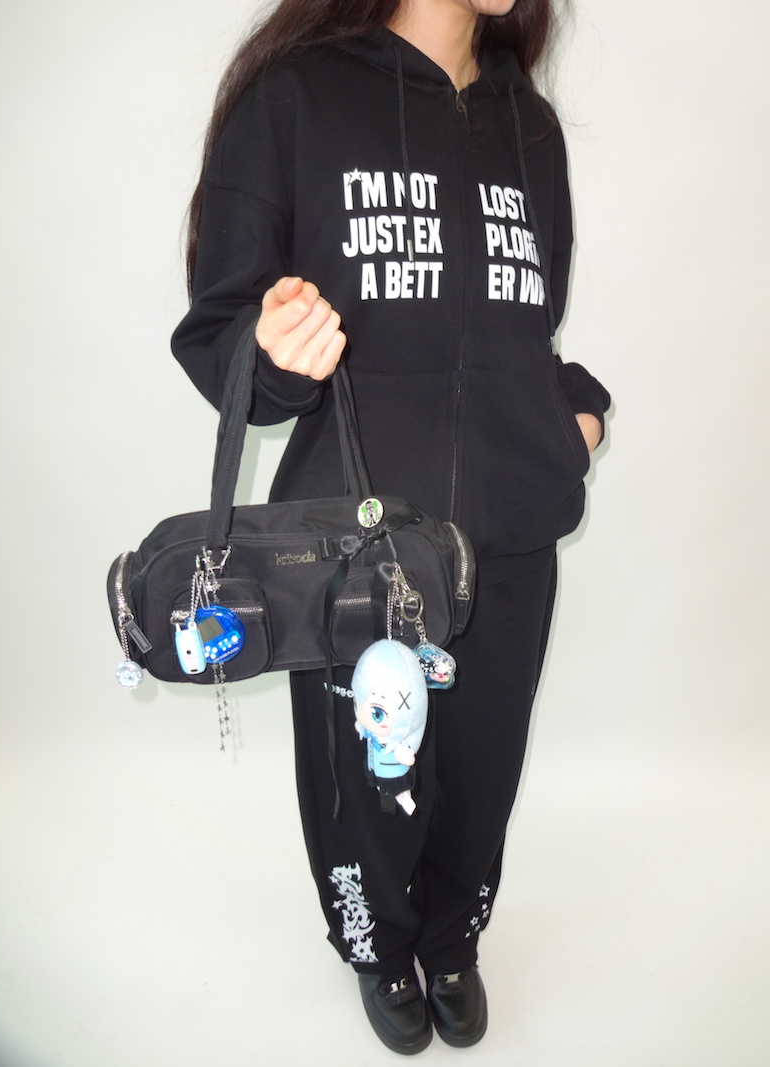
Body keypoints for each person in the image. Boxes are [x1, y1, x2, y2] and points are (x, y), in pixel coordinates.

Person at [172, 0, 610, 1054]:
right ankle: (377, 946)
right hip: (354, 545)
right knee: (367, 786)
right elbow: (219, 332)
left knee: (484, 769)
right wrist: (274, 355)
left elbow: (527, 325)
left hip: (509, 533)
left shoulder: (529, 127)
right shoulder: (294, 101)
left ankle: (453, 938)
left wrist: (573, 416)